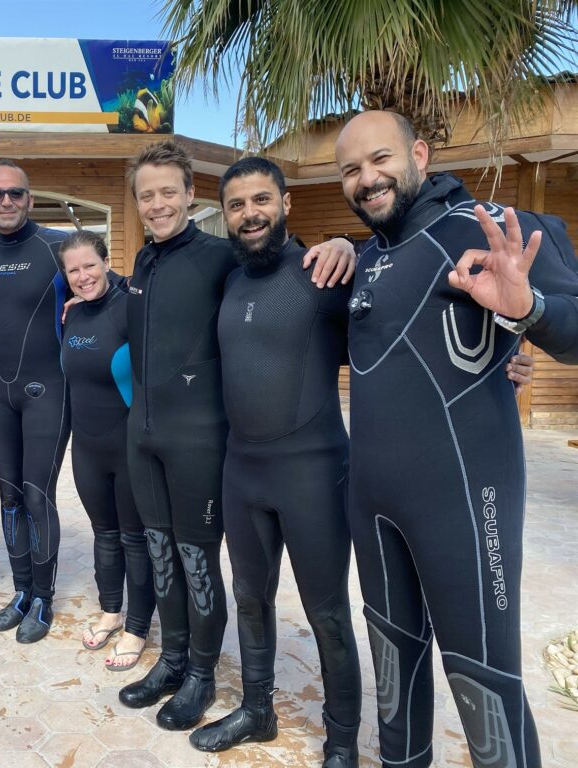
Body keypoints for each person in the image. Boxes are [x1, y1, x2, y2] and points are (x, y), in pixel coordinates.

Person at [334, 109, 578, 768]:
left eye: (379, 159)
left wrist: (528, 312)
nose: (367, 178)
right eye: (351, 169)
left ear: (419, 154)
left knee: (483, 683)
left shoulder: (490, 230)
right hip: (373, 507)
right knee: (393, 668)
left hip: (468, 506)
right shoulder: (363, 258)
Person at [118, 141, 359, 731]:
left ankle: (202, 673)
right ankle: (174, 659)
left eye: (168, 192)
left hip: (206, 440)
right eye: (146, 195)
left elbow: (285, 266)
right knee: (161, 555)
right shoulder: (143, 265)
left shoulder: (223, 255)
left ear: (191, 195)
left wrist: (343, 242)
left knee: (200, 562)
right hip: (145, 438)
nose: (157, 204)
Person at [0, 160, 72, 643]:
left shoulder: (56, 246)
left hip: (47, 389)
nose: (6, 201)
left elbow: (102, 287)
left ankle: (45, 598)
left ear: (31, 199)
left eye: (15, 193)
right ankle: (22, 591)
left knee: (37, 494)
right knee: (8, 496)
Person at [59, 231, 156, 670]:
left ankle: (137, 627)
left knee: (135, 540)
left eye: (89, 266)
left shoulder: (130, 308)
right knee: (104, 535)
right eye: (73, 270)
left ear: (106, 263)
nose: (83, 276)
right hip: (88, 447)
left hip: (128, 447)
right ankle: (111, 610)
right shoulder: (72, 315)